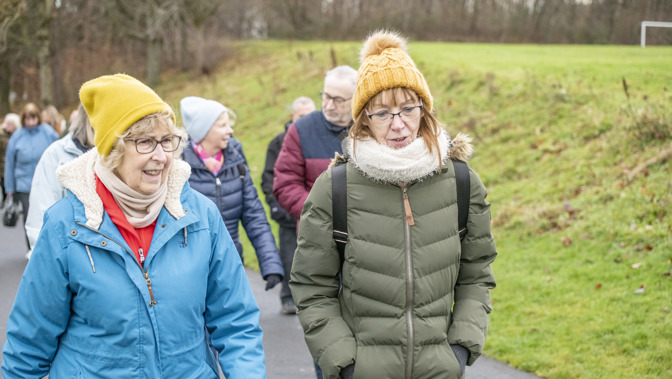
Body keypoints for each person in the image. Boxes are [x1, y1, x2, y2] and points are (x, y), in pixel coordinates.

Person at [1, 74, 266, 378]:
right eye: (145, 142)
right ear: (112, 150)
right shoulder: (66, 226)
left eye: (167, 140)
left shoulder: (200, 216)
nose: (162, 156)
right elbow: (28, 346)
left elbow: (237, 323)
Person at [289, 30, 498, 379]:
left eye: (407, 109)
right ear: (364, 120)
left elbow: (477, 274)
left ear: (424, 109)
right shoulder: (334, 188)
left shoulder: (462, 182)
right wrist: (346, 364)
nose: (398, 125)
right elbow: (312, 286)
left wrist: (460, 349)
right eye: (382, 113)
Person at [180, 96, 283, 291]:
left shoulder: (236, 160)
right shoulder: (179, 166)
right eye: (222, 125)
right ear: (204, 130)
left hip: (231, 265)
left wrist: (271, 264)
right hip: (190, 271)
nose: (230, 130)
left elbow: (254, 216)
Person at [273, 65, 358, 221]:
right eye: (326, 96)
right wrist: (321, 215)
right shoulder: (300, 130)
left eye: (338, 100)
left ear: (356, 98)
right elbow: (286, 185)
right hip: (317, 235)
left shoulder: (369, 129)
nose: (329, 105)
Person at [261, 96, 315, 315]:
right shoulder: (278, 142)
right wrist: (278, 208)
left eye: (311, 114)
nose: (307, 119)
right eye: (302, 115)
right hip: (288, 214)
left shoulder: (317, 140)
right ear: (293, 116)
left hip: (314, 212)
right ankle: (288, 297)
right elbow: (269, 178)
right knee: (290, 256)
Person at [25, 103, 95, 255]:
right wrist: (43, 258)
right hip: (70, 256)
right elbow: (41, 211)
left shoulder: (121, 155)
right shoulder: (56, 155)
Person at [3, 103, 59, 255]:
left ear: (38, 118)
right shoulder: (17, 136)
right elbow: (10, 163)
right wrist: (10, 189)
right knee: (30, 216)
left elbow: (59, 153)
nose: (30, 123)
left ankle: (49, 247)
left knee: (48, 214)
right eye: (27, 119)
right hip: (24, 184)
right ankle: (32, 248)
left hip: (46, 181)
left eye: (33, 118)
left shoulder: (48, 133)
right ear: (23, 119)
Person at [0, 113, 21, 206]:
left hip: (17, 166)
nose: (8, 126)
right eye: (7, 123)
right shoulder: (1, 135)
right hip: (3, 165)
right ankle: (7, 204)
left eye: (10, 124)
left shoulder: (20, 134)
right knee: (6, 186)